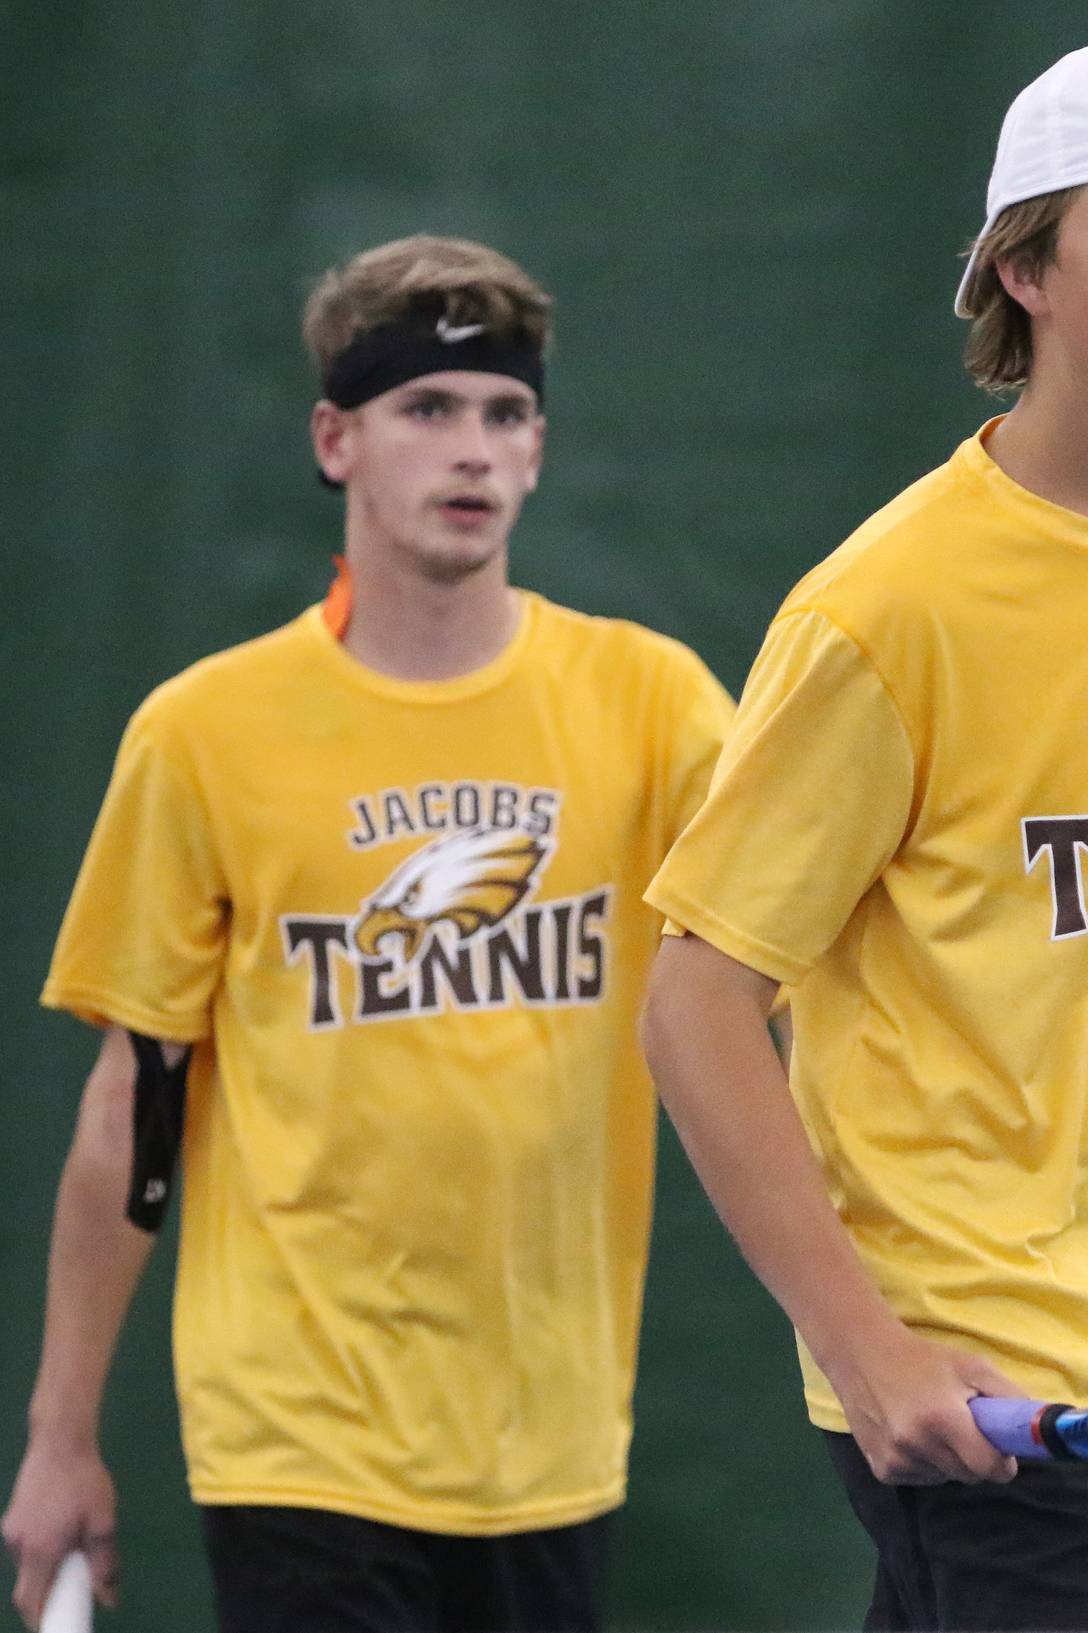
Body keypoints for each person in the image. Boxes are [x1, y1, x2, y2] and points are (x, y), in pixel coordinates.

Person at [642, 44, 1088, 1632]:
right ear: (1020, 266)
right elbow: (693, 1002)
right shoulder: (887, 610)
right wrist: (870, 1351)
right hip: (979, 1380)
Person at [3, 234, 733, 1633]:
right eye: (427, 409)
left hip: (553, 1441)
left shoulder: (655, 707)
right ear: (336, 439)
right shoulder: (207, 731)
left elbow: (799, 965)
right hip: (300, 1433)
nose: (472, 449)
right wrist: (61, 1431)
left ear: (539, 450)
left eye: (504, 412)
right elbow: (134, 1111)